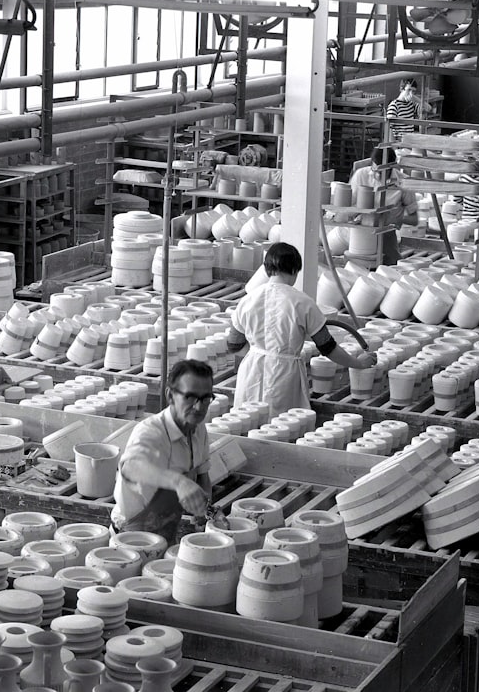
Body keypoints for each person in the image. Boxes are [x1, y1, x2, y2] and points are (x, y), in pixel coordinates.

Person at [228, 242, 376, 416]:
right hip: (284, 374)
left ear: (267, 269)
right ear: (294, 270)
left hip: (251, 371)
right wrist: (358, 363)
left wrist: (259, 353)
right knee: (284, 426)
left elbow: (233, 344)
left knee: (247, 422)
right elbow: (328, 347)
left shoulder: (248, 300)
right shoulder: (302, 303)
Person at [112, 359, 215, 543]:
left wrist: (206, 511)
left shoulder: (198, 429)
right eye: (190, 397)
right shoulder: (151, 432)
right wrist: (179, 482)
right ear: (170, 395)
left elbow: (202, 476)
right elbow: (130, 467)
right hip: (132, 537)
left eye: (206, 398)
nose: (199, 407)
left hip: (166, 532)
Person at [348, 146, 412, 263]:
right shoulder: (361, 175)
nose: (378, 176)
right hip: (362, 231)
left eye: (383, 172)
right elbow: (347, 208)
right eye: (375, 171)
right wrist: (359, 211)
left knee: (391, 265)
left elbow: (413, 218)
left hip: (386, 233)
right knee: (359, 265)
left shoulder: (404, 182)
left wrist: (395, 217)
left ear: (392, 167)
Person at [386, 78, 432, 142]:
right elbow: (389, 128)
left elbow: (428, 108)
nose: (411, 94)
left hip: (410, 140)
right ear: (401, 89)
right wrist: (394, 146)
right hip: (399, 141)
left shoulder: (411, 104)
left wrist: (414, 97)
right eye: (409, 90)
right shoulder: (394, 105)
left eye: (413, 91)